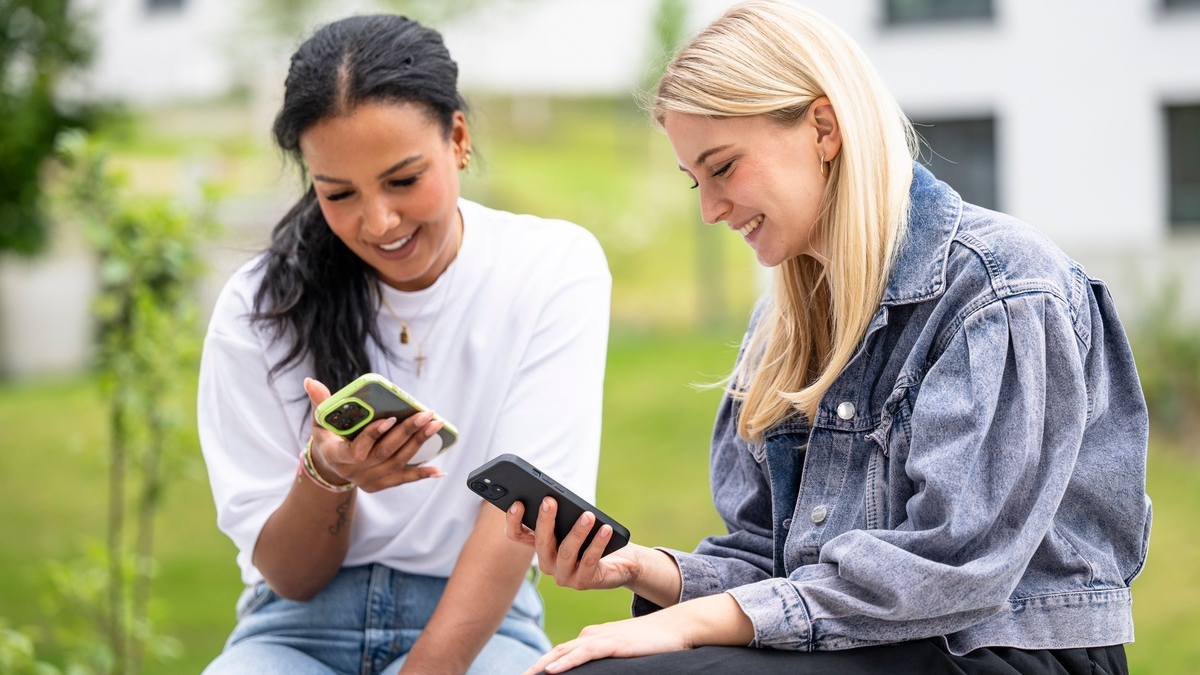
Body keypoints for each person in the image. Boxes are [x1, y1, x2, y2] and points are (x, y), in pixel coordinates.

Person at [503, 2, 1151, 674]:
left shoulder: (1003, 288)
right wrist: (643, 569)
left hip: (1002, 647)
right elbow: (774, 560)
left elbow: (954, 563)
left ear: (822, 127)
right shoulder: (783, 325)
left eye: (723, 167)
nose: (709, 209)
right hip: (865, 642)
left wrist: (692, 623)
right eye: (697, 180)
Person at [197, 14, 611, 675]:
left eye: (403, 179)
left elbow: (516, 524)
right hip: (294, 630)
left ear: (459, 137)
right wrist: (329, 474)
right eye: (338, 193)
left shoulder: (553, 267)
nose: (378, 222)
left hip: (480, 627)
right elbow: (289, 575)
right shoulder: (260, 306)